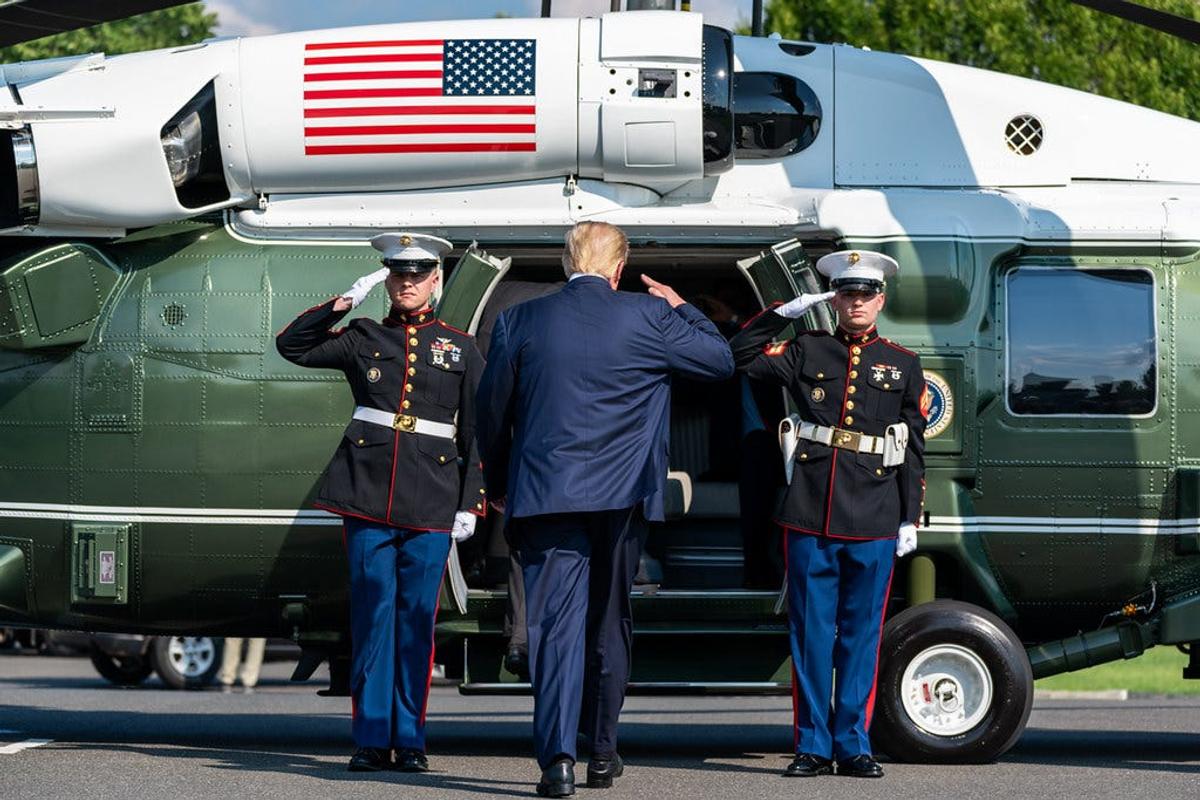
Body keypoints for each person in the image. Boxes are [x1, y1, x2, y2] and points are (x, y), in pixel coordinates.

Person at [476, 221, 734, 797]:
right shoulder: (649, 315)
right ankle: (602, 752)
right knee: (610, 622)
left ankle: (557, 762)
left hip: (545, 495)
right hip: (623, 498)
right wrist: (682, 306)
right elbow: (719, 361)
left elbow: (491, 413)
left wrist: (498, 483)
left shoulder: (520, 319)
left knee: (553, 629)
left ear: (567, 264)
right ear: (619, 270)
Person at [275, 232, 486, 773]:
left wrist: (471, 502)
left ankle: (410, 740)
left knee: (416, 625)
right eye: (397, 274)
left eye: (417, 274)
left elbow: (477, 435)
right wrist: (343, 302)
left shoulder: (459, 347)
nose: (406, 282)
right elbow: (292, 345)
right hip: (367, 498)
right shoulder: (363, 335)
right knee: (372, 622)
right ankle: (371, 739)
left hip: (433, 503)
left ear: (436, 280)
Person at [729, 250, 927, 780]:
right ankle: (813, 745)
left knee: (861, 636)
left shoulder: (903, 362)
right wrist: (786, 310)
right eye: (846, 294)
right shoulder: (806, 348)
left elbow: (910, 446)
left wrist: (910, 515)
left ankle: (854, 744)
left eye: (865, 295)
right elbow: (740, 355)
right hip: (811, 511)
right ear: (834, 299)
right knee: (812, 635)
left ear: (880, 300)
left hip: (877, 515)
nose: (856, 302)